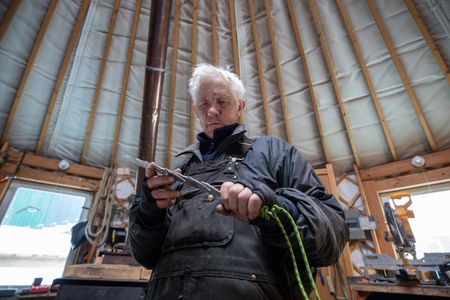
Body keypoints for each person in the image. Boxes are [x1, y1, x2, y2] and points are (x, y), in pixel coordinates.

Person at [128, 64, 349, 299]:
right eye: (204, 103)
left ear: (240, 106)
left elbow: (333, 231)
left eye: (222, 101)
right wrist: (149, 214)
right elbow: (145, 256)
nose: (212, 111)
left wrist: (275, 210)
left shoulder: (274, 152)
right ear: (196, 110)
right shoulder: (178, 171)